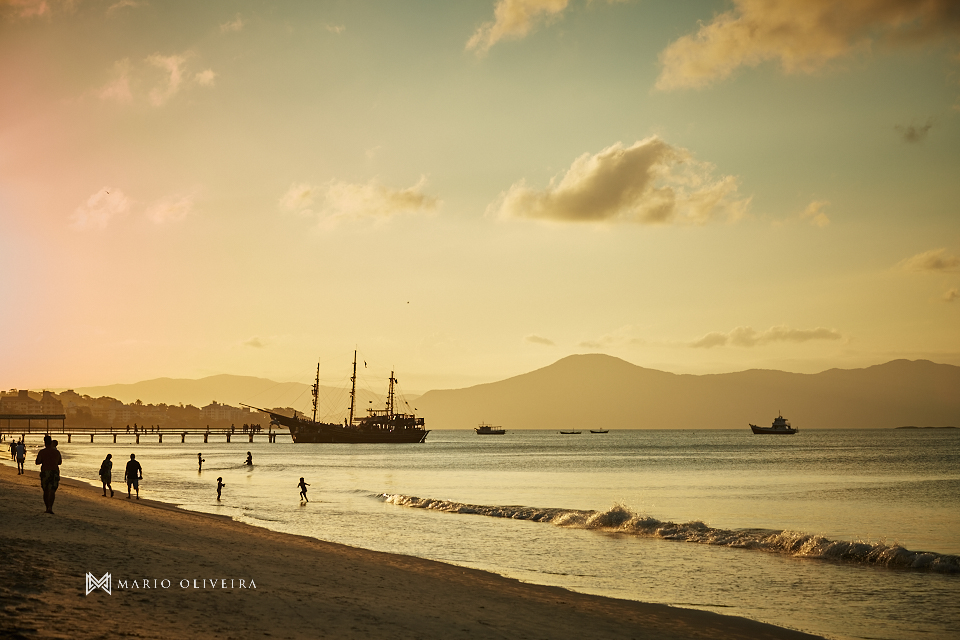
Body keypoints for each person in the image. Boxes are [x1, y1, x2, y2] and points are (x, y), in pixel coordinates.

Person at [35, 435, 62, 514]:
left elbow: (37, 462)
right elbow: (59, 462)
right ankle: (50, 507)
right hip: (54, 471)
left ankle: (47, 507)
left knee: (46, 490)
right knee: (52, 490)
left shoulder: (42, 452)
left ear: (44, 442)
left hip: (45, 471)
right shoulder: (56, 452)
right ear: (51, 442)